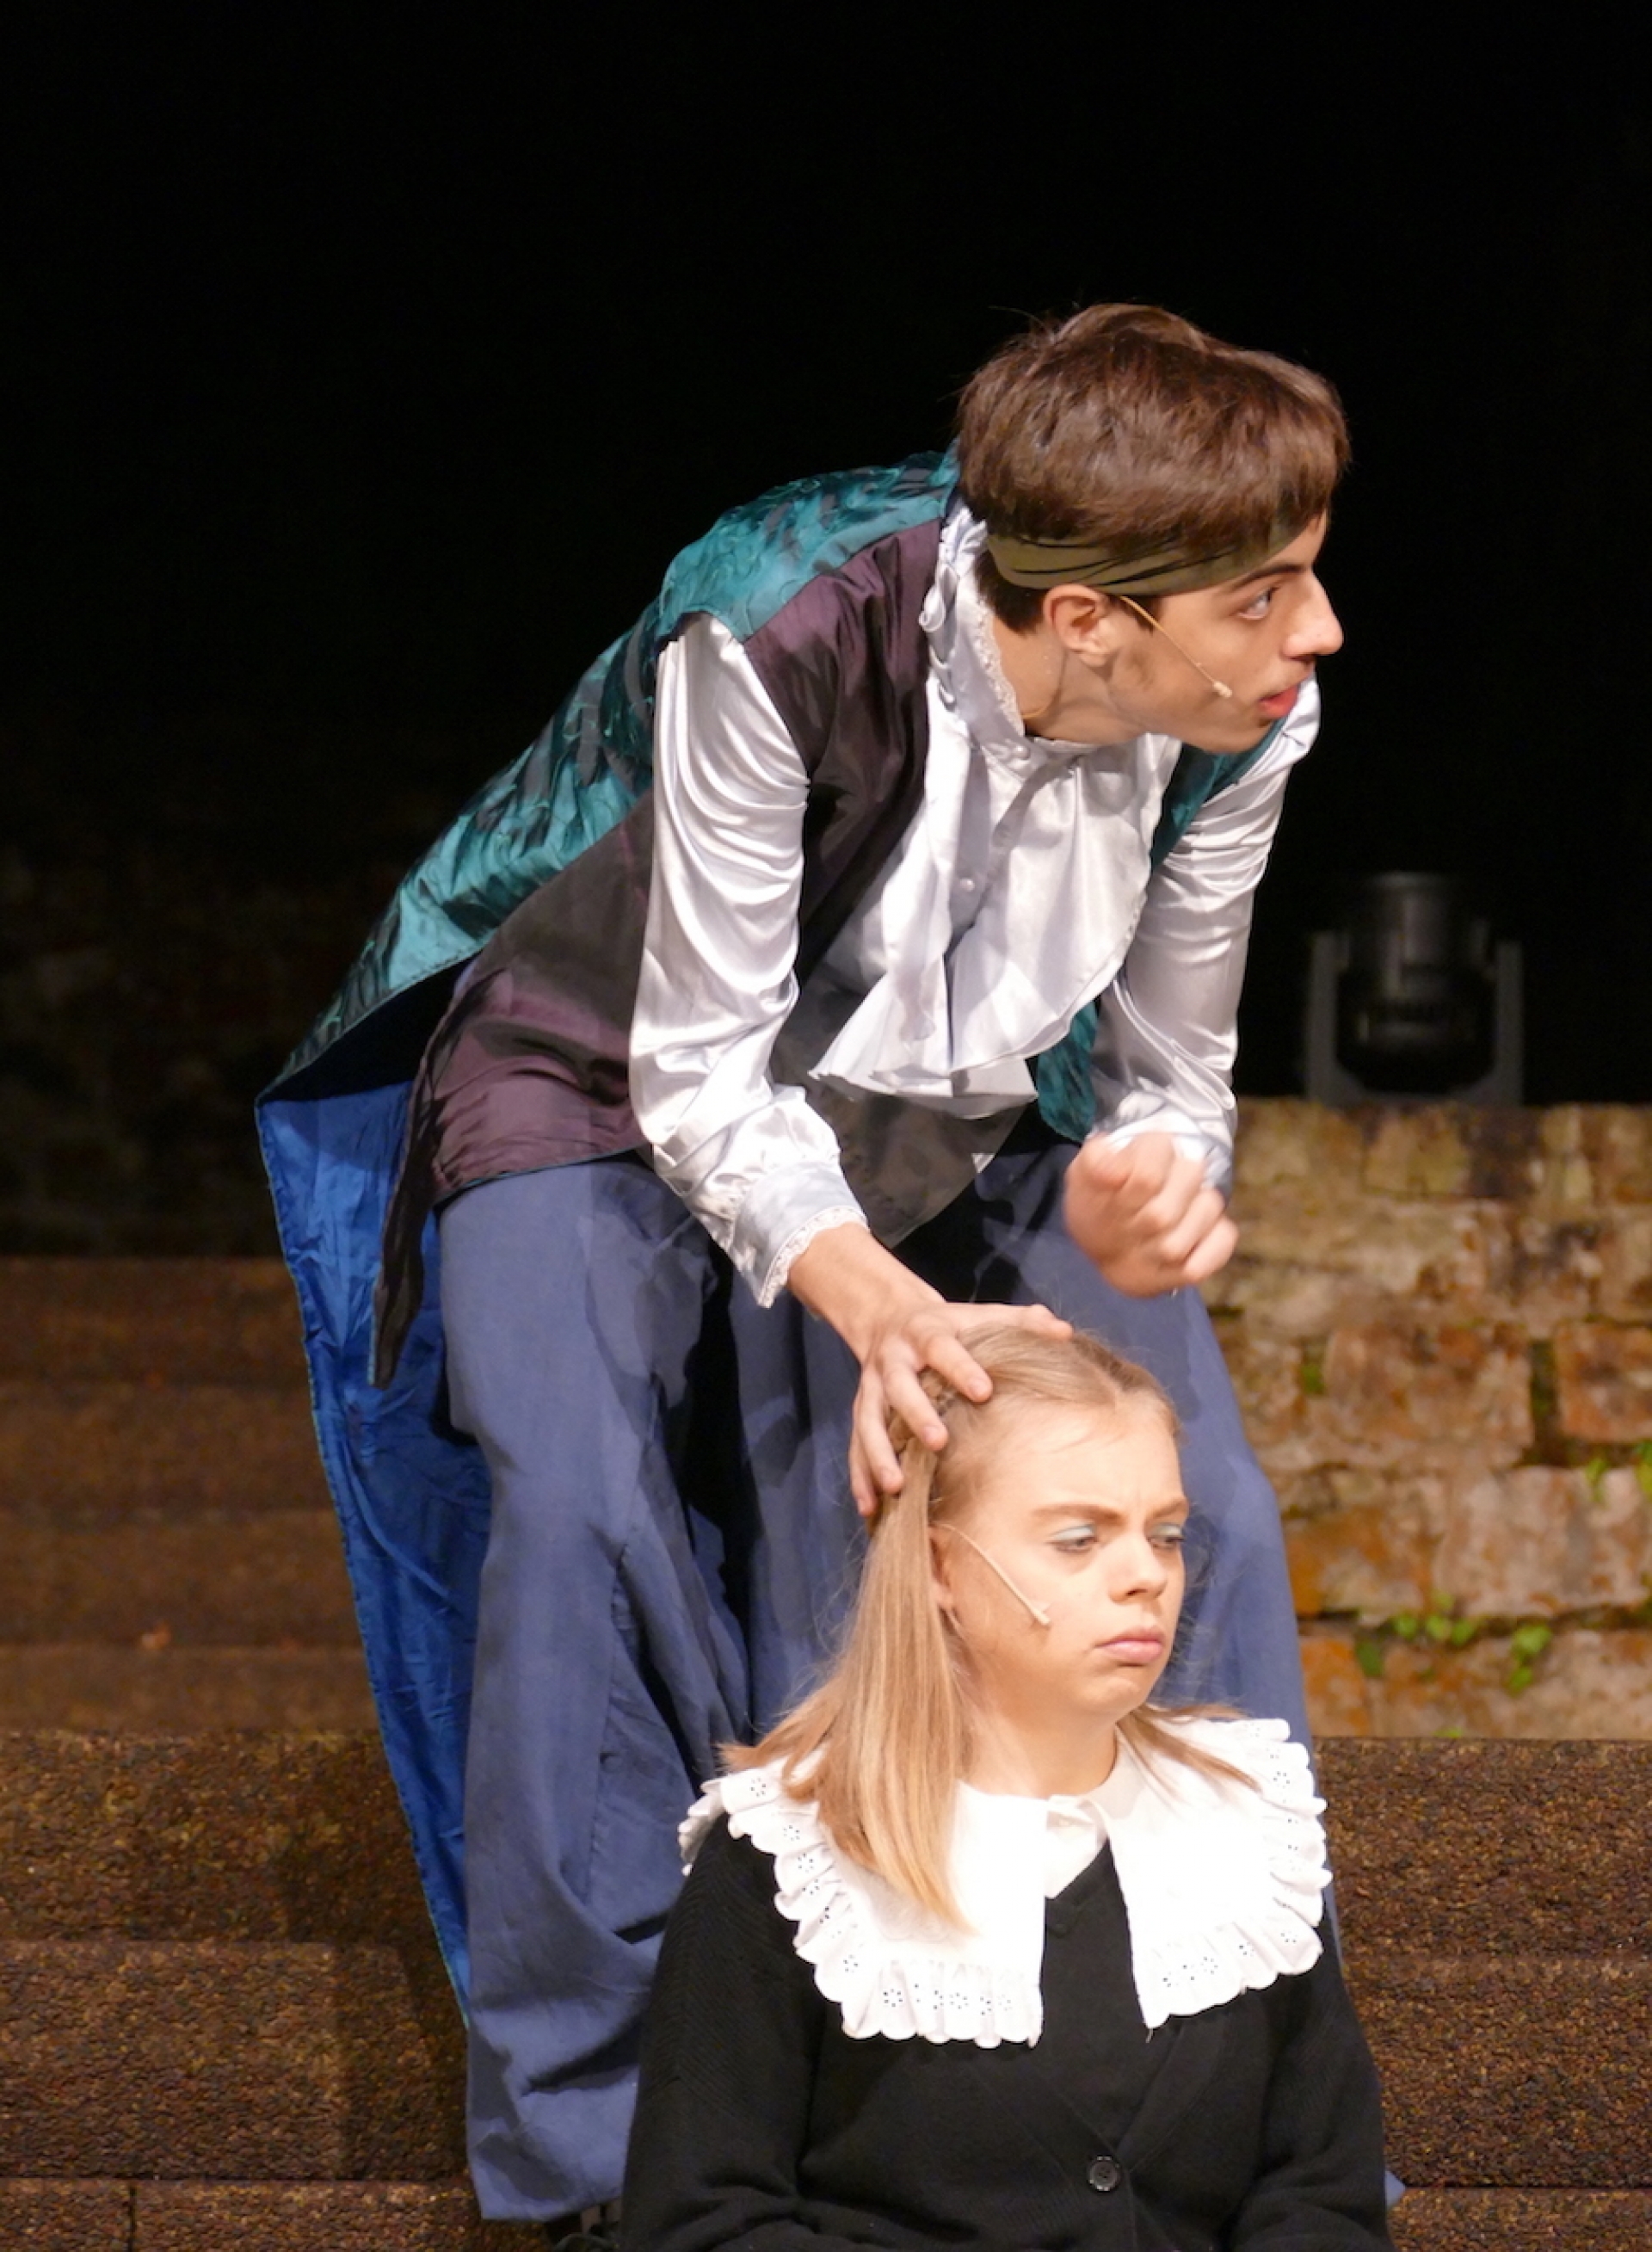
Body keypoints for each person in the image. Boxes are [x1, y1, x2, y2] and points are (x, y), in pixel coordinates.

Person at [256, 302, 1348, 2224]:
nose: (1315, 632)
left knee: (1208, 1504)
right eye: (1263, 596)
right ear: (1088, 616)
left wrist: (1155, 1181)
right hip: (604, 1070)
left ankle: (1221, 2080)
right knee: (582, 1499)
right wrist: (863, 1288)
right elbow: (701, 1067)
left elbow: (1171, 1068)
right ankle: (610, 2150)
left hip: (959, 1110)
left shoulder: (1237, 717)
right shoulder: (780, 624)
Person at [621, 1328, 1392, 2252]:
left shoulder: (1241, 1824)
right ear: (939, 1567)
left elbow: (1321, 2194)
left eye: (1165, 1533)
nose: (1145, 1576)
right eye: (1079, 1538)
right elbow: (707, 2222)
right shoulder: (791, 1861)